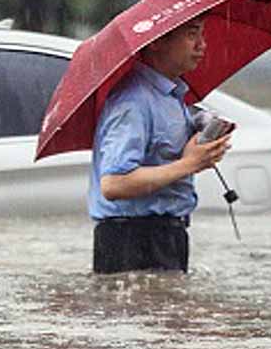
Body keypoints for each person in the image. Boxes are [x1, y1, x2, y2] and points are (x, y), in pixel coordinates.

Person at [87, 16, 232, 274]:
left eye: (202, 35)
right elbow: (113, 184)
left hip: (167, 234)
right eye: (191, 34)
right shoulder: (132, 102)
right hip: (132, 239)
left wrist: (202, 143)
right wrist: (189, 164)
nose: (202, 45)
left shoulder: (173, 96)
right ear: (157, 42)